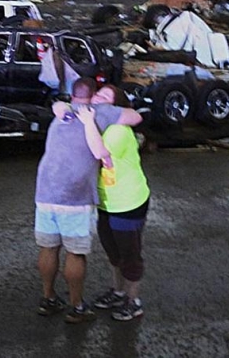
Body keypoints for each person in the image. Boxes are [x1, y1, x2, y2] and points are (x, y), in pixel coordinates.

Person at [34, 77, 142, 324]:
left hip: (45, 190)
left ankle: (48, 299)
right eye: (99, 94)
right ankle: (77, 307)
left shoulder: (61, 113)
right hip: (74, 195)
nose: (100, 99)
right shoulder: (100, 112)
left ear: (72, 95)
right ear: (92, 96)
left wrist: (60, 105)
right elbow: (136, 117)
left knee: (48, 247)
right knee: (75, 253)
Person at [77, 84, 150, 322]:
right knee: (114, 253)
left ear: (116, 106)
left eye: (106, 96)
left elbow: (98, 155)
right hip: (106, 202)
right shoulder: (99, 124)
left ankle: (133, 301)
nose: (98, 98)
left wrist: (87, 123)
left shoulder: (117, 130)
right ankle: (118, 292)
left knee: (130, 256)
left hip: (128, 202)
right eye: (98, 93)